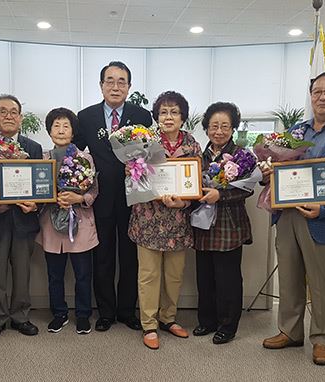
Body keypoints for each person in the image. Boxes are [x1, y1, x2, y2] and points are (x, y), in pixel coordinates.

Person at [261, 72, 325, 365]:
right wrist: (269, 173)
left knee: (322, 284)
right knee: (289, 277)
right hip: (288, 214)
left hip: (323, 218)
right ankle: (290, 332)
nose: (323, 97)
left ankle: (322, 339)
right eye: (318, 91)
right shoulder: (295, 131)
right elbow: (280, 166)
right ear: (310, 95)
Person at [74, 61, 153, 332]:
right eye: (110, 80)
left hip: (134, 196)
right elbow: (78, 157)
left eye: (121, 81)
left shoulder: (142, 116)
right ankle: (106, 311)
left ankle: (127, 311)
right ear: (101, 85)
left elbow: (149, 154)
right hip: (100, 197)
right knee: (103, 255)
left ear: (129, 87)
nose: (115, 86)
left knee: (130, 256)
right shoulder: (84, 117)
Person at [128, 91, 202, 350]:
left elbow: (197, 182)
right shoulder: (144, 142)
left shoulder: (192, 144)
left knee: (174, 275)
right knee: (148, 275)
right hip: (148, 219)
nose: (168, 117)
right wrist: (140, 181)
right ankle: (149, 324)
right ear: (156, 116)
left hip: (178, 220)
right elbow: (133, 181)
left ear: (183, 117)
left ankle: (168, 319)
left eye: (174, 112)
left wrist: (185, 201)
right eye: (163, 112)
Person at [0, 95, 43, 340]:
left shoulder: (34, 147)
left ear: (21, 118)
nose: (8, 116)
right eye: (2, 111)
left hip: (24, 219)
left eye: (14, 111)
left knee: (23, 272)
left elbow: (42, 184)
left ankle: (20, 317)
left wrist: (35, 203)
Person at [193, 102, 253, 345]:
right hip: (202, 224)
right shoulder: (199, 156)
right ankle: (206, 321)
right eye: (214, 126)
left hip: (229, 225)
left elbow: (248, 188)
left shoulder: (242, 155)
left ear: (233, 128)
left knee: (228, 277)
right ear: (206, 128)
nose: (219, 131)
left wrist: (222, 195)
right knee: (204, 276)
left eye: (225, 126)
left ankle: (228, 325)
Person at [36, 107, 98, 335]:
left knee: (83, 274)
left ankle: (83, 315)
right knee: (54, 275)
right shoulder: (43, 159)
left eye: (66, 126)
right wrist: (51, 198)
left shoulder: (85, 159)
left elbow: (94, 191)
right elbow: (36, 191)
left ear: (73, 132)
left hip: (79, 223)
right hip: (51, 224)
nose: (61, 130)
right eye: (56, 126)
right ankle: (59, 313)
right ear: (50, 130)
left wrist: (78, 197)